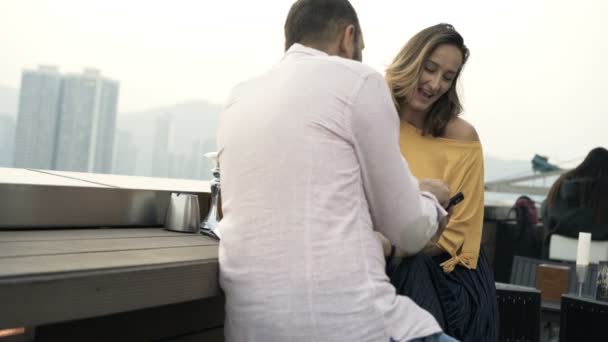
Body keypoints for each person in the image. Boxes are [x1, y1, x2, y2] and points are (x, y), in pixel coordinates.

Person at [217, 1, 457, 341]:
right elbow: (409, 230)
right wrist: (432, 201)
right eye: (360, 49)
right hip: (352, 326)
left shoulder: (237, 99)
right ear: (349, 37)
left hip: (250, 330)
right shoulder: (359, 81)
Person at [380, 23, 499, 341]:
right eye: (429, 69)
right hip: (379, 267)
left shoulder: (461, 137)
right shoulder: (375, 119)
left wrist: (392, 249)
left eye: (447, 77)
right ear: (411, 61)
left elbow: (455, 237)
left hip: (445, 279)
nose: (434, 84)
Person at [542, 147, 608, 244]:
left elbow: (545, 209)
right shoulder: (603, 189)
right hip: (599, 250)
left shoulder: (560, 182)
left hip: (557, 249)